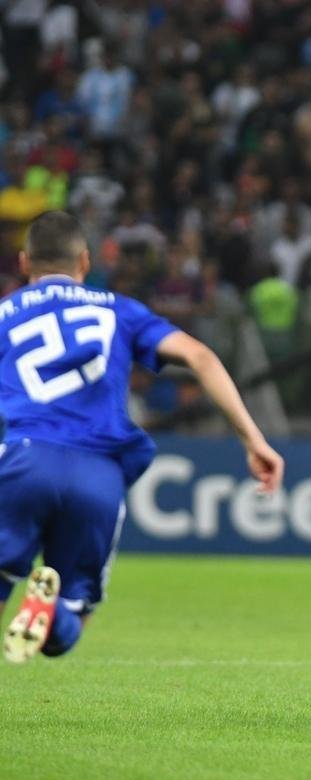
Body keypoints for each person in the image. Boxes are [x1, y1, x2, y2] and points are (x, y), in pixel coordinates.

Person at [1, 211, 284, 664]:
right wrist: (253, 439)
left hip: (23, 459)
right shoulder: (119, 310)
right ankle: (53, 616)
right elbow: (200, 356)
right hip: (98, 474)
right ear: (85, 261)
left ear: (23, 261)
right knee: (73, 615)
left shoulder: (4, 314)